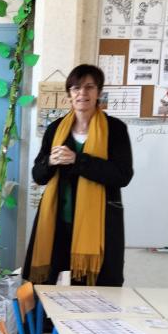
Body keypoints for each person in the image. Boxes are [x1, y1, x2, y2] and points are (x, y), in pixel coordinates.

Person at [23, 63, 133, 287]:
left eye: (89, 87)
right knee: (44, 287)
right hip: (57, 221)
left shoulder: (115, 129)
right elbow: (38, 175)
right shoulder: (55, 129)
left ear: (98, 93)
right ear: (69, 95)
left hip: (99, 224)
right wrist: (50, 161)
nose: (82, 93)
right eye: (75, 88)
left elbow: (122, 176)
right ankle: (45, 324)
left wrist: (78, 160)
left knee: (95, 288)